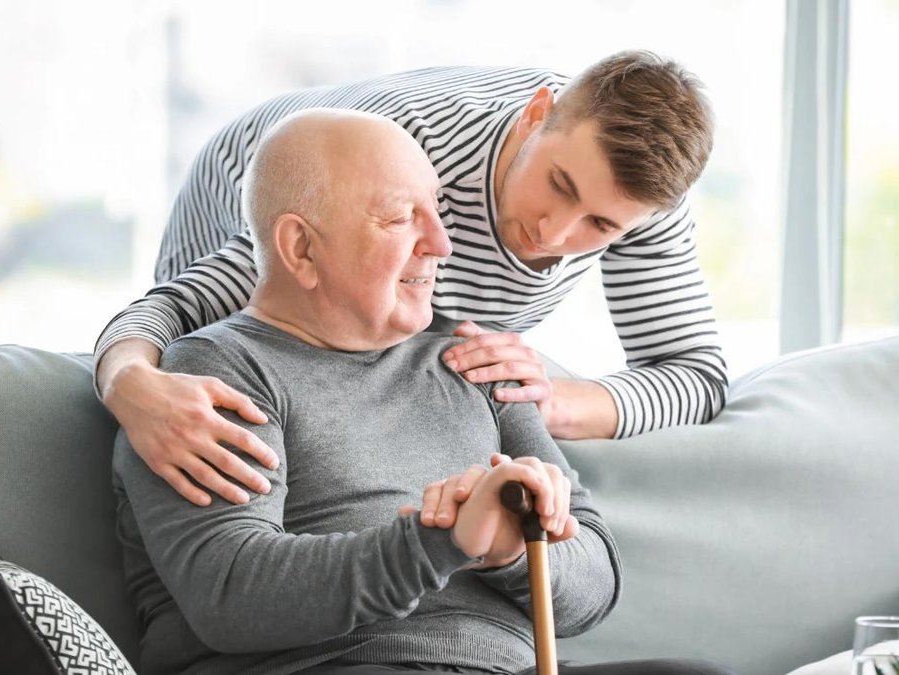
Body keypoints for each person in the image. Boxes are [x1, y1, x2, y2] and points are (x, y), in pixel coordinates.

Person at [112, 110, 734, 675]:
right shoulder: (208, 379)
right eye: (399, 218)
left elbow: (593, 585)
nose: (441, 244)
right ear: (301, 248)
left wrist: (511, 548)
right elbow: (231, 595)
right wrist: (444, 539)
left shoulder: (472, 361)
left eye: (435, 209)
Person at [99, 50, 729, 509]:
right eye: (559, 186)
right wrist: (130, 385)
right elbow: (172, 309)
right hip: (254, 172)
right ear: (537, 115)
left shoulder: (645, 198)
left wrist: (558, 401)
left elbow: (696, 374)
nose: (556, 233)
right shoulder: (413, 161)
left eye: (600, 224)